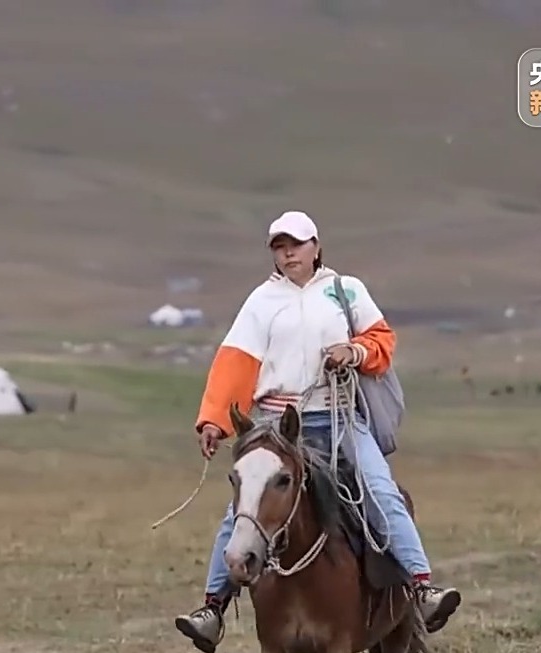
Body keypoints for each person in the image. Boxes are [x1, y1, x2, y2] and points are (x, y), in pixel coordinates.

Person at [173, 211, 462, 652]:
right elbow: (235, 362)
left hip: (337, 417)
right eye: (279, 246)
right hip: (274, 424)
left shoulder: (346, 291)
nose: (288, 252)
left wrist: (354, 350)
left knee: (381, 490)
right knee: (243, 510)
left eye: (297, 244)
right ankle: (212, 608)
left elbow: (381, 341)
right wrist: (214, 418)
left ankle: (422, 589)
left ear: (316, 246)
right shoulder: (261, 302)